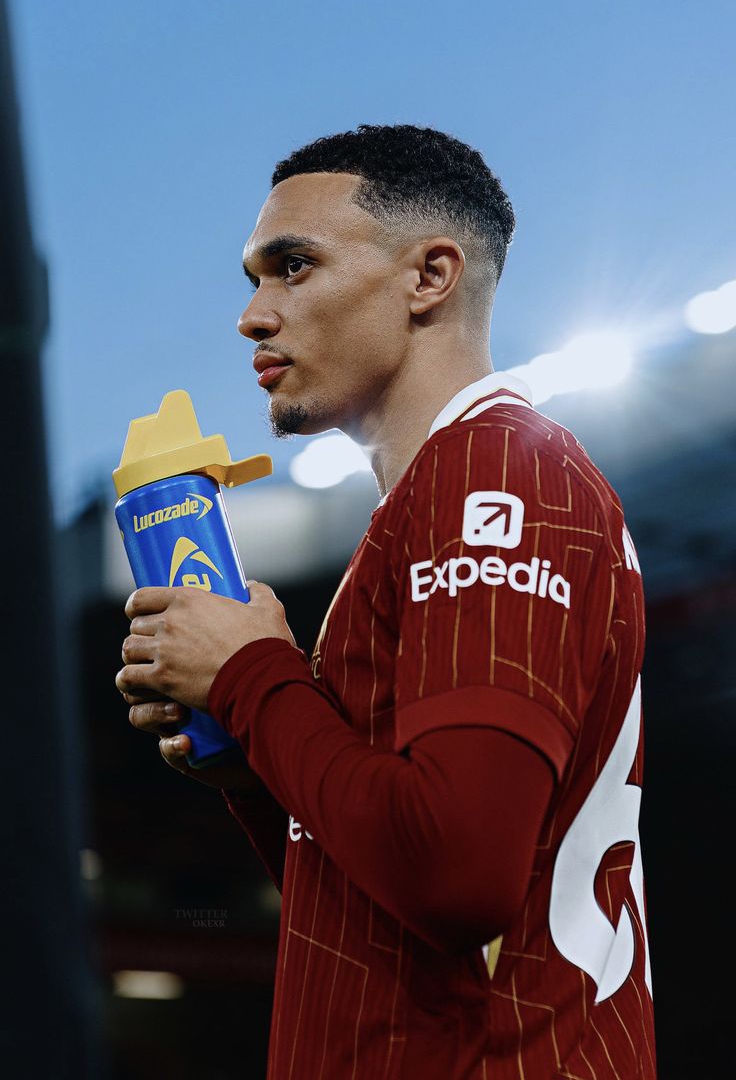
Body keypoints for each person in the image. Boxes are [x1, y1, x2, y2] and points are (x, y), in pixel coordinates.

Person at [117, 123, 657, 1078]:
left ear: (430, 276)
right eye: (253, 278)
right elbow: (384, 917)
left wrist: (253, 674)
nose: (253, 314)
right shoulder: (426, 507)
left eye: (292, 266)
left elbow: (457, 874)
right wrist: (255, 764)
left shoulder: (497, 472)